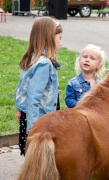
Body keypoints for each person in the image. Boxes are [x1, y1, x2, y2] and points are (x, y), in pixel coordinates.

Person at [15, 17, 63, 156]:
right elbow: (33, 99)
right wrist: (34, 130)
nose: (61, 43)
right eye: (59, 38)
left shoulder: (33, 59)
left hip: (36, 119)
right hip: (40, 122)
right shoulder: (44, 64)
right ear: (49, 38)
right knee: (40, 159)